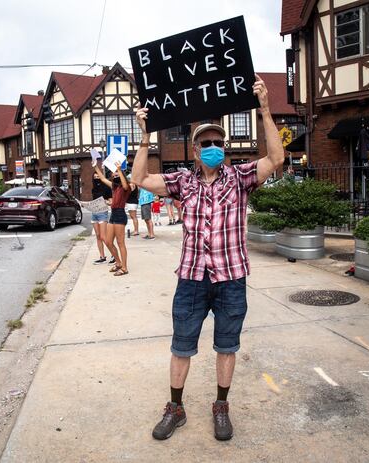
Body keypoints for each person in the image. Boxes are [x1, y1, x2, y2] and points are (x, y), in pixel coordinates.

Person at [132, 74, 283, 442]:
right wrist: (145, 135)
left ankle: (220, 407)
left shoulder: (241, 177)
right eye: (205, 143)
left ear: (224, 148)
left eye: (217, 141)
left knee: (227, 345)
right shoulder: (182, 181)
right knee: (181, 345)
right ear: (196, 151)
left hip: (231, 277)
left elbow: (277, 157)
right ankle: (176, 408)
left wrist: (264, 109)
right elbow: (138, 177)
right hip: (192, 278)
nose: (212, 146)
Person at [94, 161, 131, 276]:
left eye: (117, 174)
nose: (115, 175)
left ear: (122, 175)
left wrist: (119, 170)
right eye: (113, 174)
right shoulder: (114, 187)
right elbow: (103, 179)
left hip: (120, 215)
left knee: (120, 243)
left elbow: (125, 185)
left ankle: (124, 268)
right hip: (113, 214)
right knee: (108, 241)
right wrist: (95, 166)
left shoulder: (126, 187)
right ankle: (118, 263)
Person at [91, 172, 112, 264]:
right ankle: (102, 256)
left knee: (104, 236)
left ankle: (113, 254)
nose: (96, 179)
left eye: (98, 177)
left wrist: (104, 201)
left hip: (102, 212)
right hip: (94, 212)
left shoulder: (107, 188)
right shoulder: (94, 189)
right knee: (98, 236)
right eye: (95, 177)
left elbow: (111, 202)